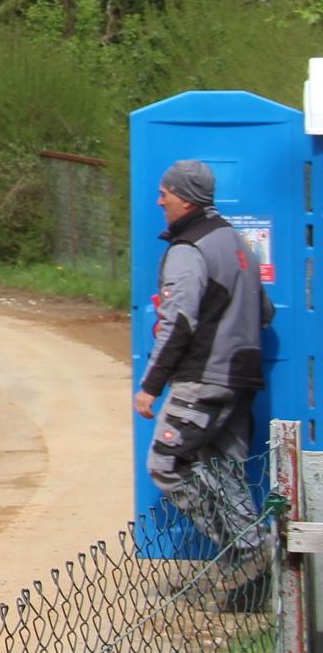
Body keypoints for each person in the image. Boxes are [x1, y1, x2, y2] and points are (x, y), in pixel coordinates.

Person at [135, 159, 272, 561]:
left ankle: (246, 550)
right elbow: (264, 313)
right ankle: (258, 567)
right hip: (242, 377)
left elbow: (178, 321)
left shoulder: (189, 248)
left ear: (185, 198)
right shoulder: (237, 243)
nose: (160, 201)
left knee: (165, 464)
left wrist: (150, 386)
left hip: (204, 377)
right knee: (226, 471)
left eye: (165, 193)